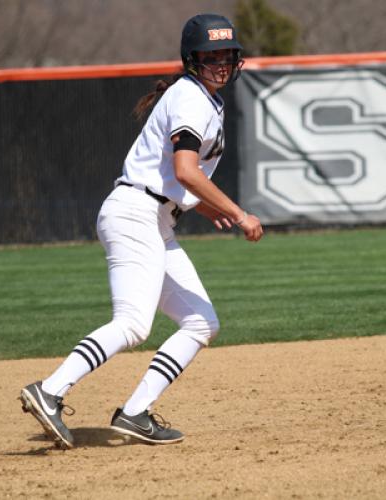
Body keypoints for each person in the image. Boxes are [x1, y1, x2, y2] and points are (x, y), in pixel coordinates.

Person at [20, 13, 263, 449]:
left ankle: (134, 413)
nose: (221, 62)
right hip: (136, 214)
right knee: (133, 323)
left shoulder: (204, 98)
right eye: (211, 55)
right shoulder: (190, 97)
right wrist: (238, 212)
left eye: (227, 54)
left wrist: (204, 209)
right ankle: (50, 390)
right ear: (192, 59)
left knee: (200, 322)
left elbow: (179, 181)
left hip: (155, 218)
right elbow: (186, 171)